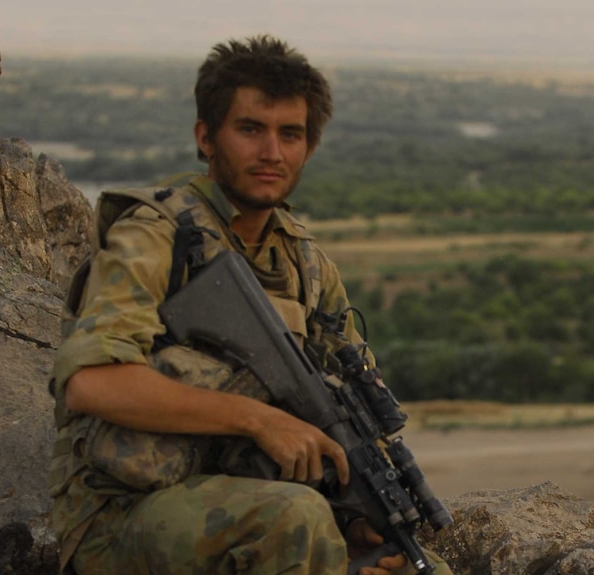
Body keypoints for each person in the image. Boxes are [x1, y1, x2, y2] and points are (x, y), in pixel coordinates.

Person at [47, 35, 451, 575]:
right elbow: (91, 381)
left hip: (259, 504)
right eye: (250, 129)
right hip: (123, 514)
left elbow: (342, 420)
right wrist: (255, 420)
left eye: (291, 134)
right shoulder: (158, 236)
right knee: (296, 520)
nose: (272, 153)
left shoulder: (307, 265)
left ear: (309, 146)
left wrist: (356, 525)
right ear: (206, 138)